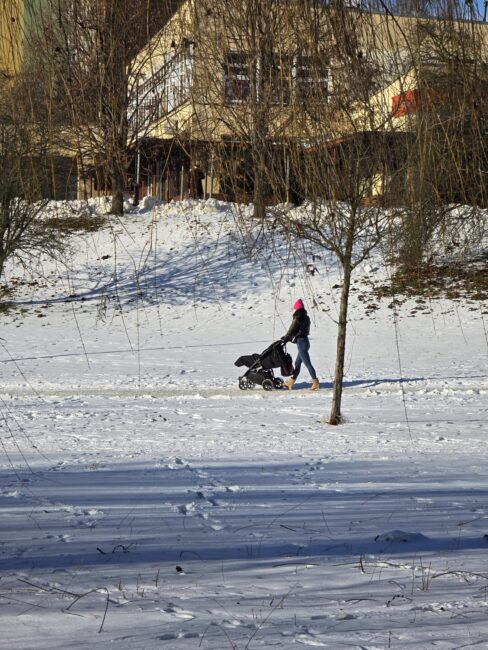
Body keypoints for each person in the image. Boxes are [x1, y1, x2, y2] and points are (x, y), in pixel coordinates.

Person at [282, 298, 320, 390]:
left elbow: (293, 328)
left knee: (307, 363)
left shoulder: (298, 316)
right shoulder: (306, 317)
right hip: (305, 341)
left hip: (301, 342)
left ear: (297, 307)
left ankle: (315, 382)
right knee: (297, 363)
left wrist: (286, 337)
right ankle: (291, 382)